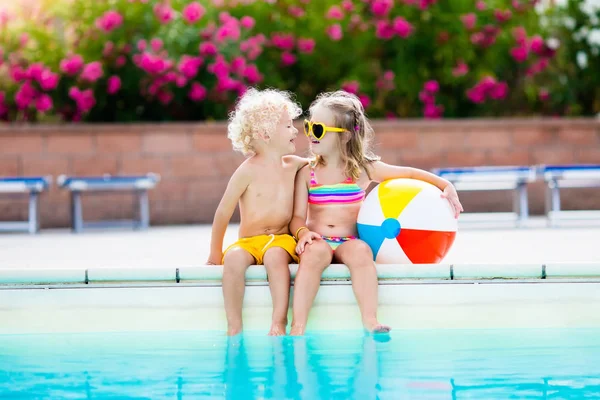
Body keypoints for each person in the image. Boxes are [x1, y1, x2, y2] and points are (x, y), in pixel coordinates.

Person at [288, 90, 463, 336]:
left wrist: (445, 185)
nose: (310, 135)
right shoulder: (308, 172)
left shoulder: (362, 169)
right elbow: (296, 216)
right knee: (311, 257)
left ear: (345, 136)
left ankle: (370, 319)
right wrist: (303, 232)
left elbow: (409, 174)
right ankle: (298, 324)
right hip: (318, 239)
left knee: (362, 253)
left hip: (349, 240)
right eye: (309, 127)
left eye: (318, 130)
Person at [206, 88, 308, 336]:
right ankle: (234, 325)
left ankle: (278, 321)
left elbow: (321, 166)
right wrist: (214, 254)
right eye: (287, 126)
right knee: (233, 260)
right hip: (249, 241)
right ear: (265, 134)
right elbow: (223, 212)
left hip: (282, 239)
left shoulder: (295, 165)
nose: (295, 130)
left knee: (275, 257)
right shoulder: (247, 171)